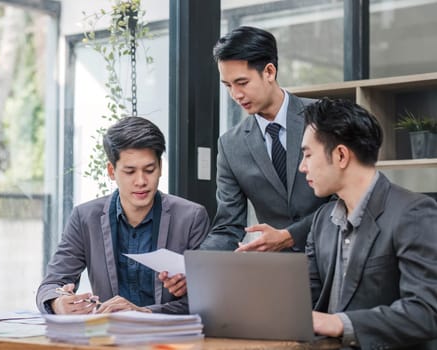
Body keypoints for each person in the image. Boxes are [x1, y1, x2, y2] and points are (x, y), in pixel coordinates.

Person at [160, 26, 328, 296]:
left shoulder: (322, 116)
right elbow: (228, 226)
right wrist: (193, 265)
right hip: (280, 279)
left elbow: (344, 200)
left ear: (269, 72)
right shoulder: (231, 145)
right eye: (227, 86)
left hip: (336, 265)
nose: (235, 95)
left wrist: (289, 235)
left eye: (242, 83)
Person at [36, 116, 210, 315]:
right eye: (129, 171)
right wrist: (58, 303)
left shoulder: (192, 218)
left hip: (169, 339)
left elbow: (205, 299)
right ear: (112, 171)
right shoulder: (85, 217)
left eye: (149, 170)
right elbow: (51, 283)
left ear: (160, 168)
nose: (141, 181)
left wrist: (144, 312)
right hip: (109, 339)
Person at [300, 98, 437, 349]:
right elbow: (303, 301)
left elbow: (425, 313)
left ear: (341, 155)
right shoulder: (322, 221)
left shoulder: (413, 213)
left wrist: (340, 323)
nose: (302, 167)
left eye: (308, 155)